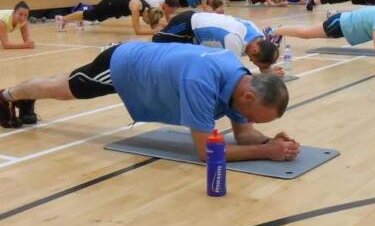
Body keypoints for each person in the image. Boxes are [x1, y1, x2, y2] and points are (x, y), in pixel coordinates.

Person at [0, 42, 299, 162]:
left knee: (62, 83)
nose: (254, 123)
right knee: (62, 89)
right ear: (250, 96)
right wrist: (267, 153)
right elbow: (207, 154)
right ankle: (8, 95)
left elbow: (244, 133)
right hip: (124, 66)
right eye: (260, 119)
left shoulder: (243, 81)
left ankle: (25, 99)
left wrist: (267, 142)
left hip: (149, 63)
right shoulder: (201, 82)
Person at [152, 11, 284, 75]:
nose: (249, 60)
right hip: (188, 23)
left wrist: (267, 70)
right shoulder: (234, 39)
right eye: (253, 60)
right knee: (157, 42)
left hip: (197, 37)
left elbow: (264, 58)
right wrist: (261, 76)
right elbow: (234, 74)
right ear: (255, 50)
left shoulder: (258, 36)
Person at [264, 6, 375, 54]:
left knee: (307, 32)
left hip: (344, 28)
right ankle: (273, 30)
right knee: (306, 33)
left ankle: (276, 32)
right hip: (339, 24)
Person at [55, 0, 177, 35]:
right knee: (91, 16)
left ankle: (78, 20)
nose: (148, 24)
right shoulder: (137, 8)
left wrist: (163, 28)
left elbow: (154, 24)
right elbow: (138, 31)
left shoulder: (149, 10)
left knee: (93, 16)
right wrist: (154, 31)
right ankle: (62, 19)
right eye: (149, 22)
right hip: (111, 3)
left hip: (118, 8)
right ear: (147, 16)